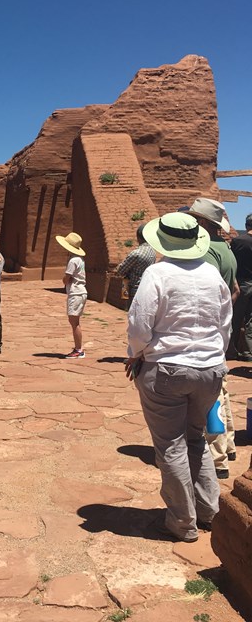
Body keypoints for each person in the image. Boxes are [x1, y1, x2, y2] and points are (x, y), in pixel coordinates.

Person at [126, 212, 231, 543]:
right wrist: (213, 357)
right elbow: (224, 323)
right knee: (196, 437)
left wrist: (136, 353)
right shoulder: (212, 274)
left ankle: (181, 521)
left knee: (170, 445)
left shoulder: (157, 273)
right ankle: (210, 510)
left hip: (168, 368)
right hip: (210, 369)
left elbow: (140, 322)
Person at [188, 198, 238, 478]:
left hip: (207, 331)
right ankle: (228, 442)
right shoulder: (226, 249)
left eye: (196, 219)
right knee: (223, 388)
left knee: (212, 398)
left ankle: (218, 458)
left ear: (205, 223)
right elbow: (234, 290)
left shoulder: (206, 252)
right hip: (221, 328)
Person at [55, 232, 87, 358]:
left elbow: (66, 278)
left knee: (74, 322)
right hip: (79, 291)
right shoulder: (79, 259)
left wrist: (64, 279)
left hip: (76, 292)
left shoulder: (73, 260)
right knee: (74, 320)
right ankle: (78, 347)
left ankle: (79, 349)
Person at [229, 213, 252, 361]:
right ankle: (249, 353)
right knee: (251, 320)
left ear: (246, 225)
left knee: (235, 318)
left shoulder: (238, 241)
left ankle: (231, 351)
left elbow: (233, 263)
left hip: (242, 283)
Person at [115, 224, 156, 309]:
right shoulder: (153, 251)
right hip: (147, 287)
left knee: (132, 315)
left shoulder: (136, 253)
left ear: (138, 237)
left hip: (134, 289)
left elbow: (121, 271)